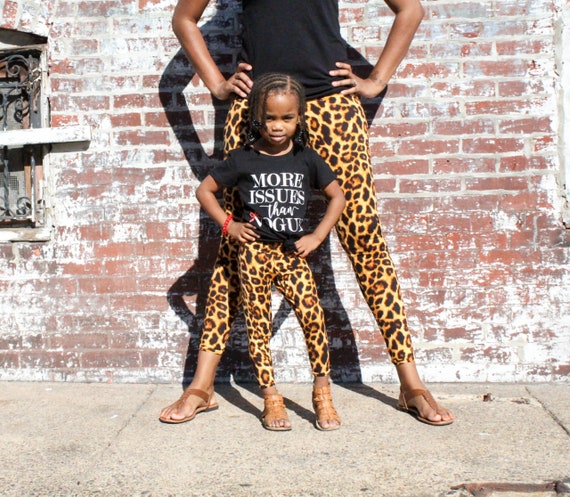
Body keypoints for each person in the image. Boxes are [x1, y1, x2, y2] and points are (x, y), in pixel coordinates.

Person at [159, 0, 455, 427]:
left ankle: (412, 386)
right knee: (233, 247)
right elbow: (183, 19)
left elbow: (409, 9)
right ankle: (202, 386)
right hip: (258, 114)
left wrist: (375, 80)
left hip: (333, 109)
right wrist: (218, 83)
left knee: (364, 240)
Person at [190, 72, 345, 431]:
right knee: (258, 328)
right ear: (256, 117)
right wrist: (230, 225)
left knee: (314, 321)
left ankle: (322, 395)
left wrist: (318, 235)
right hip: (255, 256)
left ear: (299, 118)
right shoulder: (243, 159)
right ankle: (271, 400)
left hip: (293, 256)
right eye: (269, 118)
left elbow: (337, 196)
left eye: (287, 118)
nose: (277, 126)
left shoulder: (307, 158)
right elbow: (205, 192)